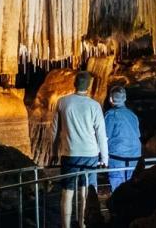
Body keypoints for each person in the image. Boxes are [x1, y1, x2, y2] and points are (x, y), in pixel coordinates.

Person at [53, 71, 109, 228]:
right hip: (90, 154)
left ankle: (65, 225)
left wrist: (53, 152)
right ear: (89, 86)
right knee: (86, 191)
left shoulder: (63, 102)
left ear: (74, 83)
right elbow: (101, 133)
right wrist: (104, 158)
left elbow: (55, 130)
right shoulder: (94, 105)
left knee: (67, 191)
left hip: (69, 153)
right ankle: (83, 223)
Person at [104, 86, 141, 191]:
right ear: (125, 98)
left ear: (111, 99)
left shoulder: (111, 115)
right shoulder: (133, 115)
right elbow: (137, 135)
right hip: (135, 156)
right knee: (132, 187)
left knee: (118, 189)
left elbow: (106, 136)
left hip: (117, 157)